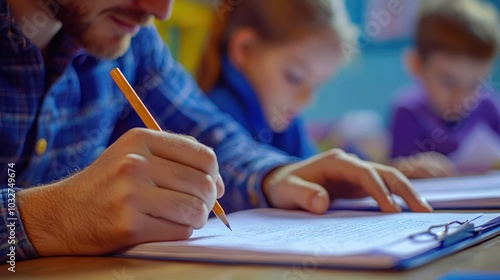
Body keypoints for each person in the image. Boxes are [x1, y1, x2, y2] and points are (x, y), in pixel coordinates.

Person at [0, 0, 431, 263]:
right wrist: (42, 220)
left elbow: (205, 133)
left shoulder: (132, 40)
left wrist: (275, 176)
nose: (160, 9)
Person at [197, 0, 353, 159]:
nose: (307, 99)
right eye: (295, 77)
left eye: (317, 85)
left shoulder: (281, 121)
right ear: (245, 49)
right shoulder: (217, 115)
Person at [389, 0, 500, 179]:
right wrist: (409, 169)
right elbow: (395, 173)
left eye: (475, 83)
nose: (461, 96)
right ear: (416, 65)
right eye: (449, 82)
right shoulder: (407, 112)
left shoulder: (488, 106)